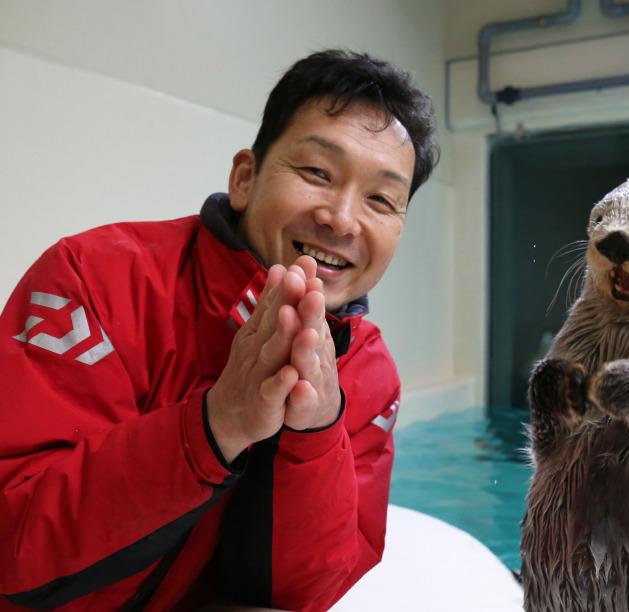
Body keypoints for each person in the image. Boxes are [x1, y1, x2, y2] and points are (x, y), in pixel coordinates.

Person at [0, 49, 438, 611]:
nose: (342, 218)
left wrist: (315, 432)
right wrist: (214, 424)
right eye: (316, 173)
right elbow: (13, 543)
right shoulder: (94, 278)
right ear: (245, 178)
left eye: (381, 199)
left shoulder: (369, 373)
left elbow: (306, 595)